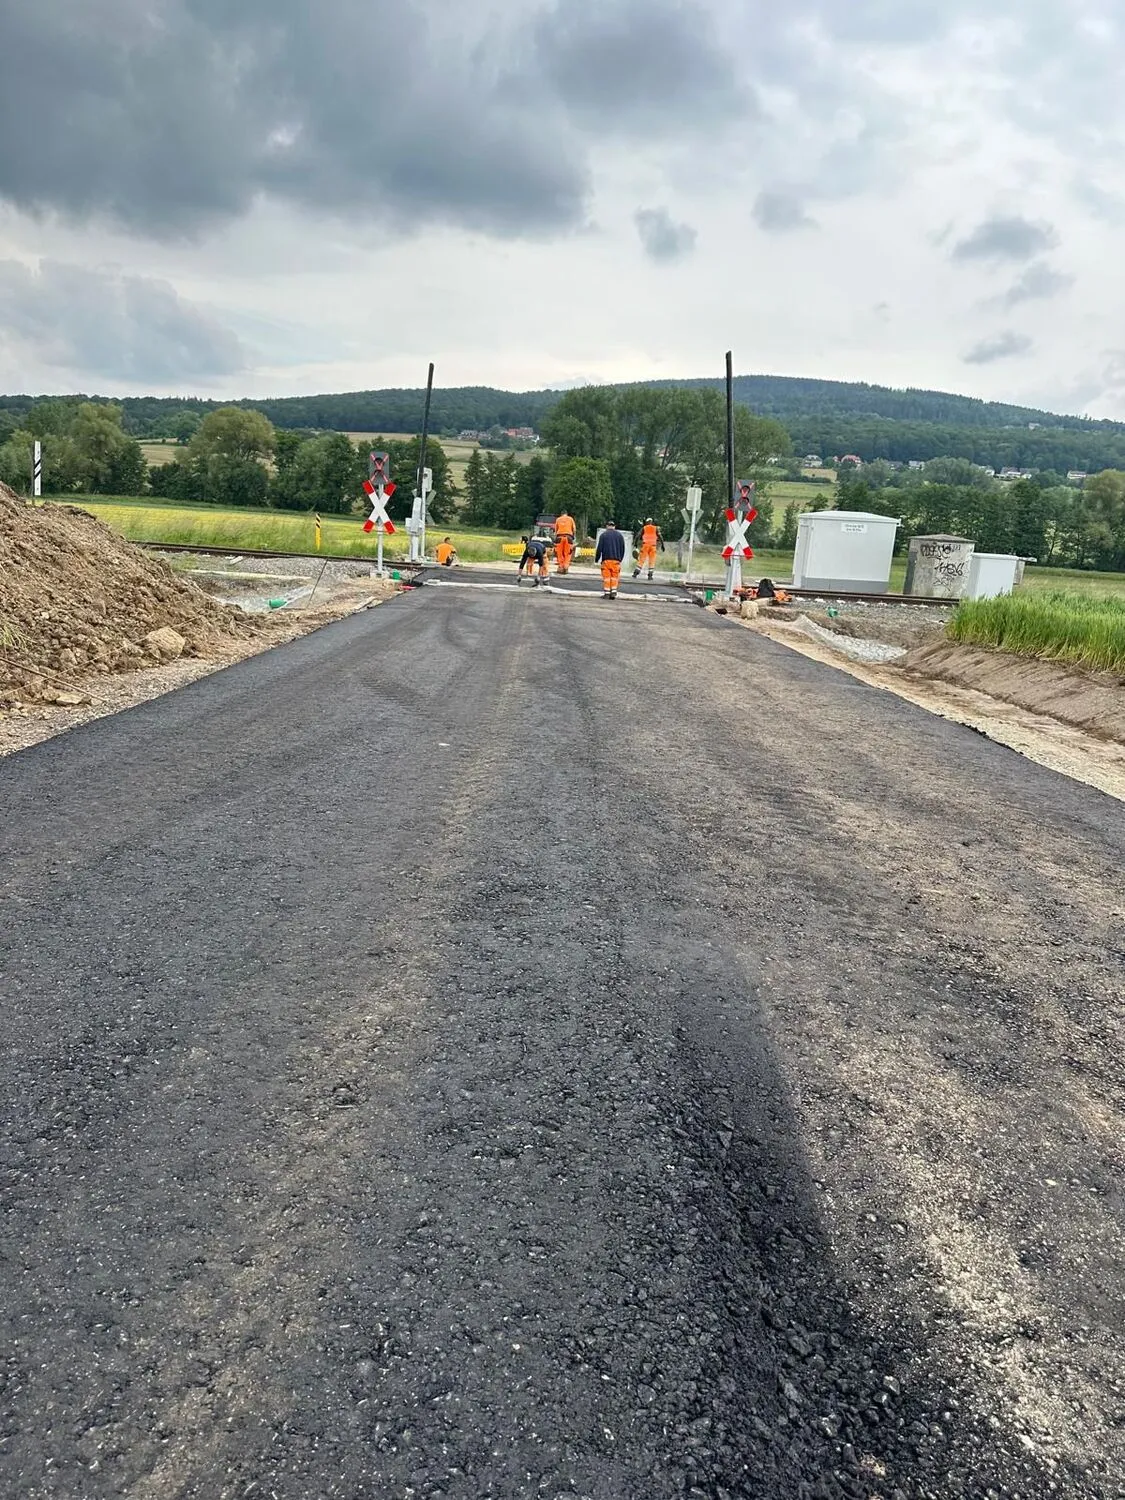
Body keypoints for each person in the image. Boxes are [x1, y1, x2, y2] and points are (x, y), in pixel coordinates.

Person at [595, 521, 626, 599]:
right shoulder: (619, 535)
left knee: (607, 578)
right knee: (614, 577)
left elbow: (599, 549)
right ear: (614, 526)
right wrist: (620, 559)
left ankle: (607, 593)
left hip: (606, 560)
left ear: (607, 526)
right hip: (616, 560)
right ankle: (613, 592)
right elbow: (622, 548)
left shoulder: (603, 535)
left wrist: (597, 559)